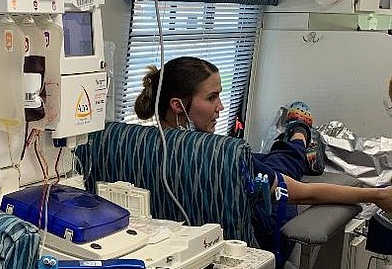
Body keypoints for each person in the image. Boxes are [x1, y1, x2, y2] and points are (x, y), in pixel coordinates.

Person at [134, 57, 392, 214]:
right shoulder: (223, 155)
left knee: (264, 159)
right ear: (178, 105)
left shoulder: (133, 144)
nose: (221, 107)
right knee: (283, 161)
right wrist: (376, 195)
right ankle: (299, 134)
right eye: (212, 97)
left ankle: (296, 140)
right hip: (259, 232)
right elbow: (304, 193)